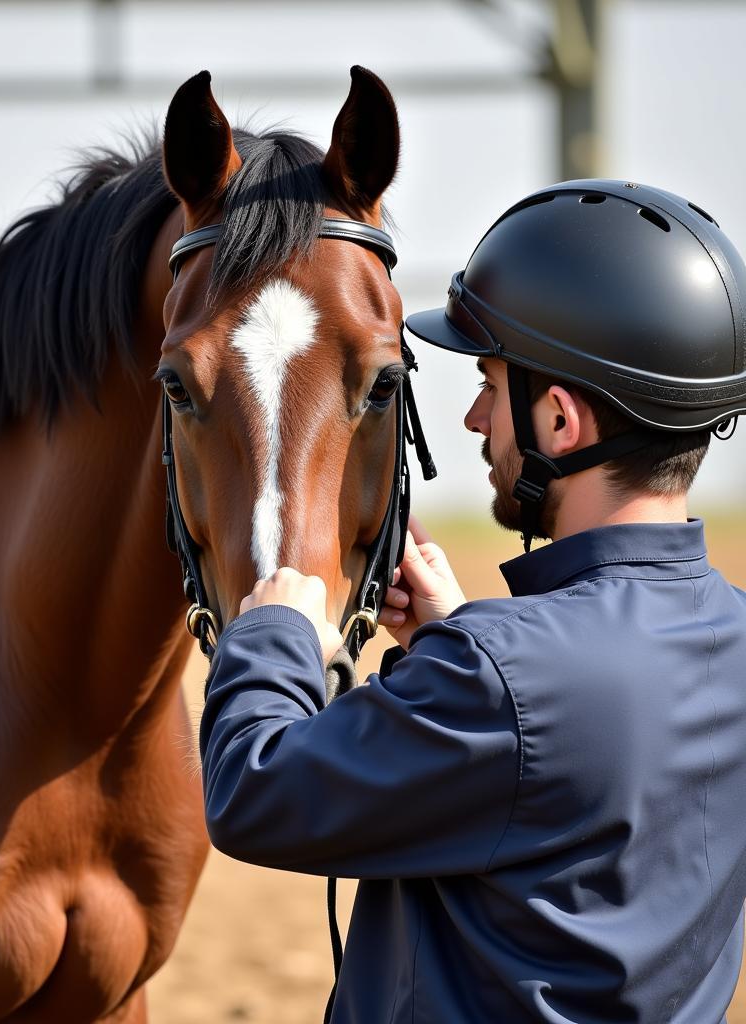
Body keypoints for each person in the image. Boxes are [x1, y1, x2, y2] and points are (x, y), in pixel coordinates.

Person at [198, 179, 746, 1023]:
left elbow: (251, 793)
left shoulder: (502, 676)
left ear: (560, 422)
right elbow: (581, 800)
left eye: (491, 384)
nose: (474, 418)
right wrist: (457, 643)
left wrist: (273, 630)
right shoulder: (732, 637)